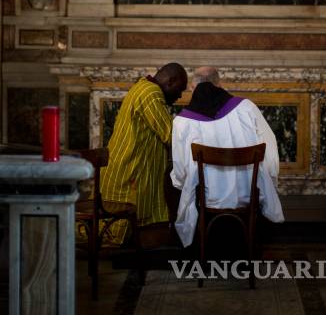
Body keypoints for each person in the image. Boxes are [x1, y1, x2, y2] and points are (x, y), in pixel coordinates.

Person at [170, 81, 284, 247]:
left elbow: (180, 172)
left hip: (207, 197)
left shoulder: (182, 122)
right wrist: (271, 179)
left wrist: (182, 184)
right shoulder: (246, 108)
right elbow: (270, 146)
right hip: (248, 193)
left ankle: (199, 248)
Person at [100, 62, 188, 245]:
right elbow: (170, 134)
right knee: (114, 234)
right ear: (170, 81)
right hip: (129, 171)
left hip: (130, 167)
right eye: (179, 90)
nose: (180, 96)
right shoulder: (150, 93)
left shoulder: (142, 87)